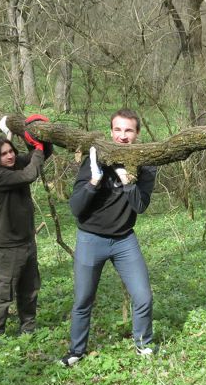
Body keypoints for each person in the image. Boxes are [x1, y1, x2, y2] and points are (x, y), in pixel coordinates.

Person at [61, 109, 157, 367]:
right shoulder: (95, 158)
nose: (122, 136)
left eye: (128, 130)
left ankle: (143, 344)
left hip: (124, 240)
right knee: (83, 299)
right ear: (111, 131)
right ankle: (76, 351)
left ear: (137, 133)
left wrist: (126, 179)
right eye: (118, 130)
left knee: (143, 297)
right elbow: (76, 208)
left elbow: (140, 206)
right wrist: (94, 180)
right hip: (90, 239)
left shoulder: (146, 164)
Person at [0, 114, 50, 337]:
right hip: (8, 246)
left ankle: (28, 328)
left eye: (11, 151)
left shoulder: (14, 164)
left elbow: (41, 156)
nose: (10, 156)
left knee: (29, 288)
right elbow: (29, 174)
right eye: (4, 154)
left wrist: (39, 137)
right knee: (4, 291)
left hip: (27, 241)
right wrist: (37, 149)